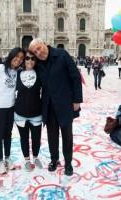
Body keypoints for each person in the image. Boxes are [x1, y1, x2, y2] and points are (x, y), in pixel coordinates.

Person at [29, 38, 82, 176]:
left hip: (65, 103)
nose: (38, 52)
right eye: (35, 52)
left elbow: (75, 76)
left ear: (44, 43)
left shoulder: (61, 54)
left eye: (39, 48)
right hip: (48, 106)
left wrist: (77, 100)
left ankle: (68, 163)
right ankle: (54, 159)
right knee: (52, 136)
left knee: (67, 136)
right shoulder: (38, 64)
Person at [0, 47, 25, 174]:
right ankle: (0, 161)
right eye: (17, 57)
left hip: (11, 108)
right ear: (11, 55)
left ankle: (7, 158)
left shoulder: (16, 72)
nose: (19, 60)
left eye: (21, 58)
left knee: (8, 134)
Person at [14, 51, 43, 171]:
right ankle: (27, 160)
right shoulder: (17, 73)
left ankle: (35, 157)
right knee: (24, 138)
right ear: (23, 60)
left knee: (36, 138)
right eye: (27, 58)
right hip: (20, 113)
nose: (30, 61)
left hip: (36, 113)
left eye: (33, 58)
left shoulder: (40, 74)